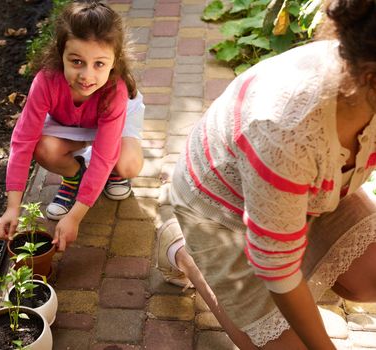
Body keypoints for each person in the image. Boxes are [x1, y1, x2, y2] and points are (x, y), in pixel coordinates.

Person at [157, 0, 376, 348]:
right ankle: (180, 243)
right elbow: (278, 267)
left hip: (316, 190)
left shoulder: (360, 81)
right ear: (371, 77)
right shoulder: (285, 128)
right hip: (222, 206)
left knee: (369, 282)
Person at [0, 0, 144, 251]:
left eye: (99, 64)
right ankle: (74, 178)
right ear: (60, 54)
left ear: (113, 62)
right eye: (76, 61)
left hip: (111, 123)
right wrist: (13, 207)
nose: (86, 76)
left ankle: (112, 176)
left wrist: (74, 216)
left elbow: (104, 154)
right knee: (43, 148)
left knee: (126, 163)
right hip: (69, 122)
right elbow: (22, 141)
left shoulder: (114, 90)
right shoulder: (46, 82)